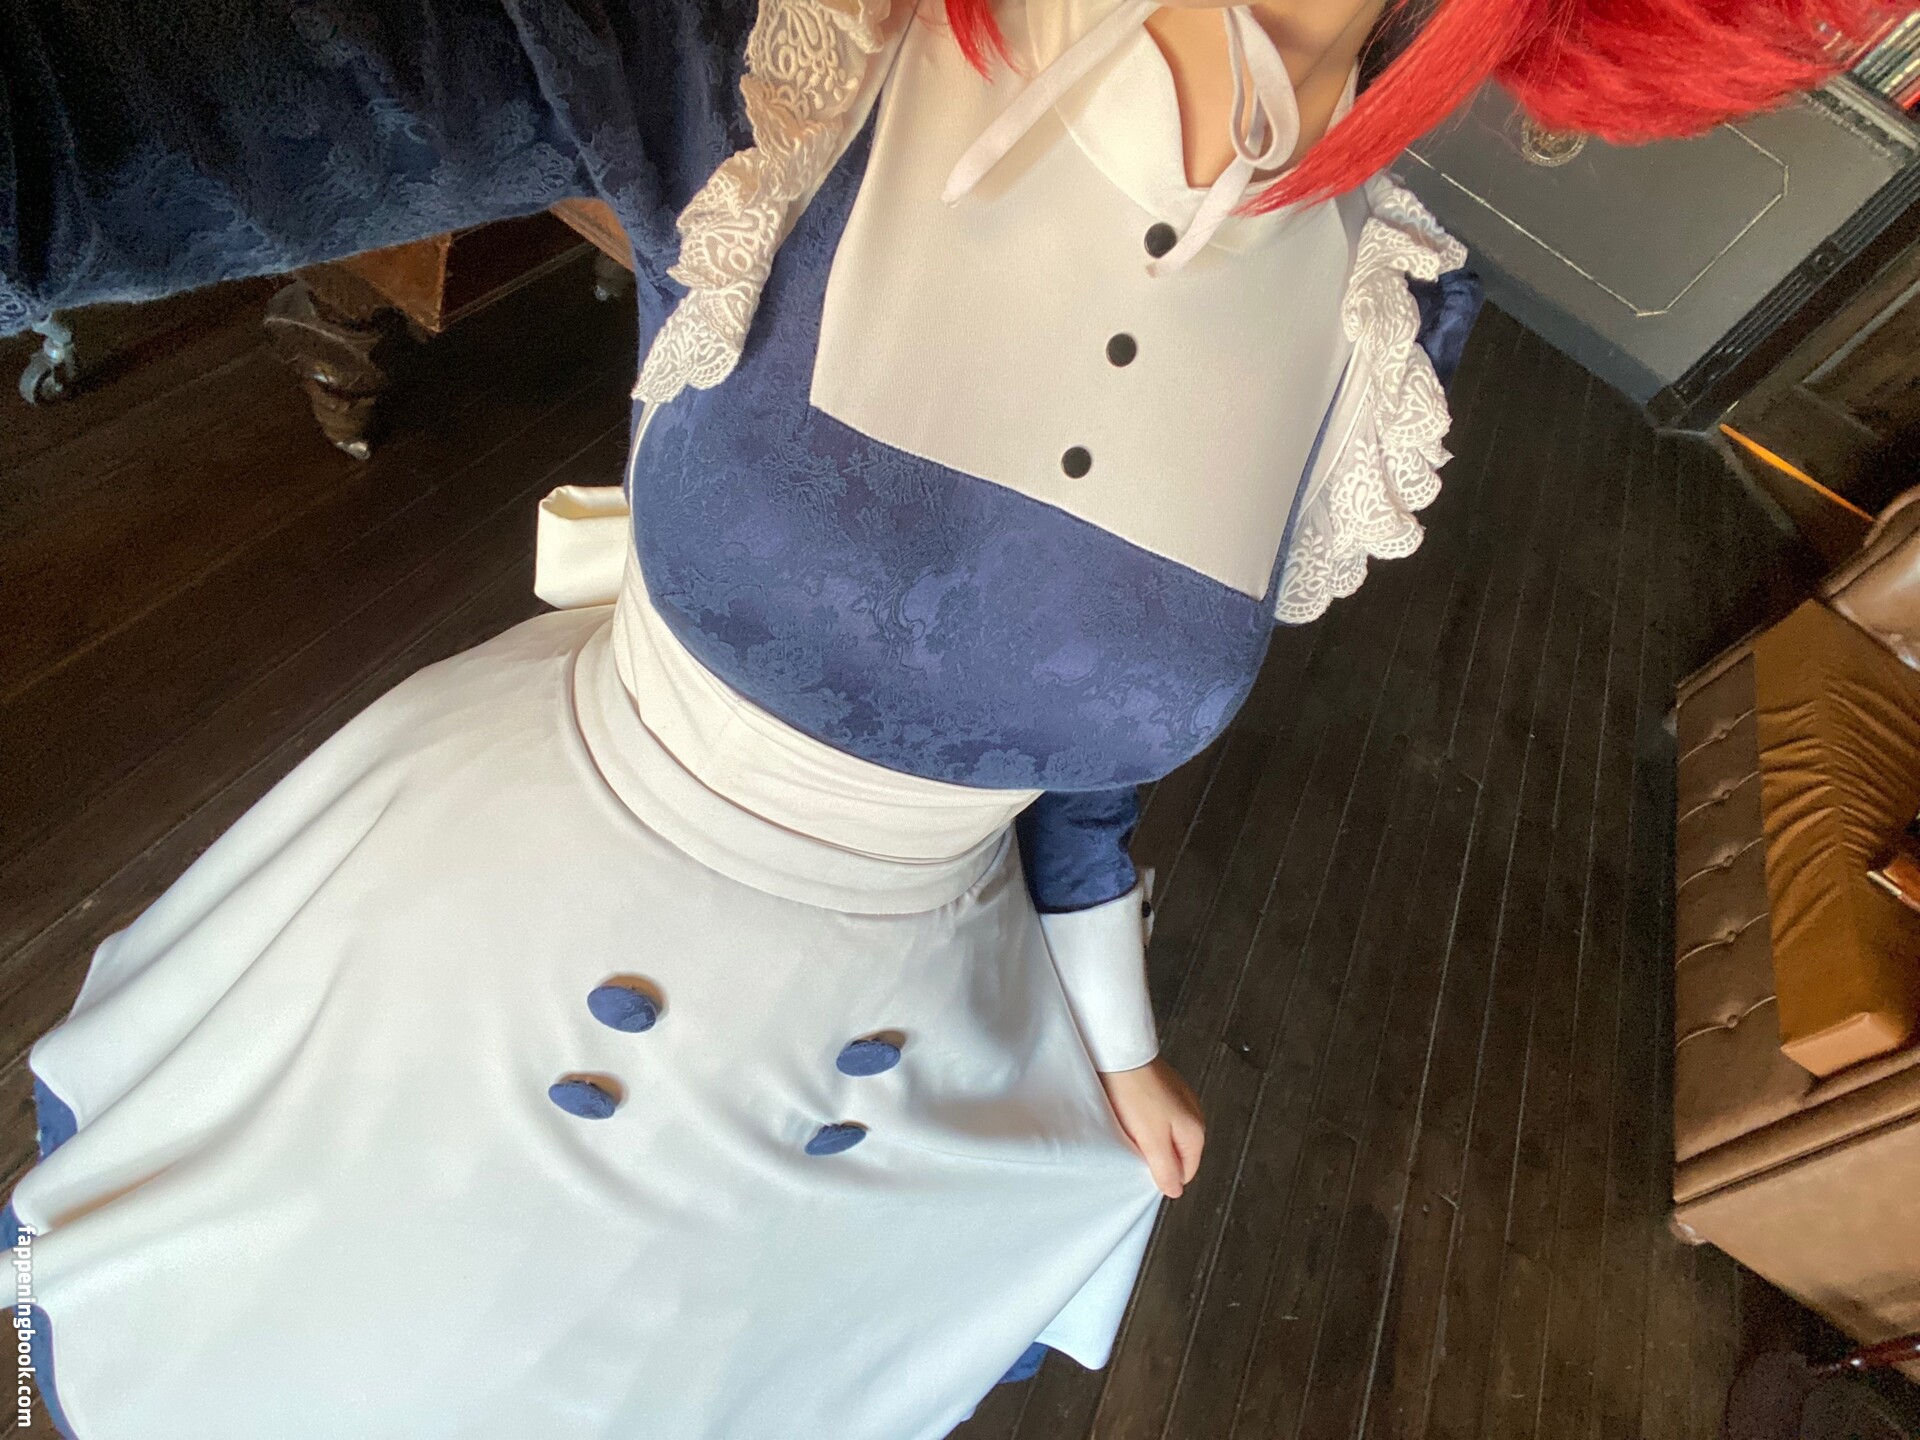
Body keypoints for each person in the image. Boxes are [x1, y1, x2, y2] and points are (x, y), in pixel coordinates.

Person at [0, 0, 1878, 1435]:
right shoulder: (794, 50)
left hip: (857, 1076)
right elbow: (82, 143)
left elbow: (1081, 755)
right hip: (457, 980)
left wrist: (1118, 1040)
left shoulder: (1387, 320)